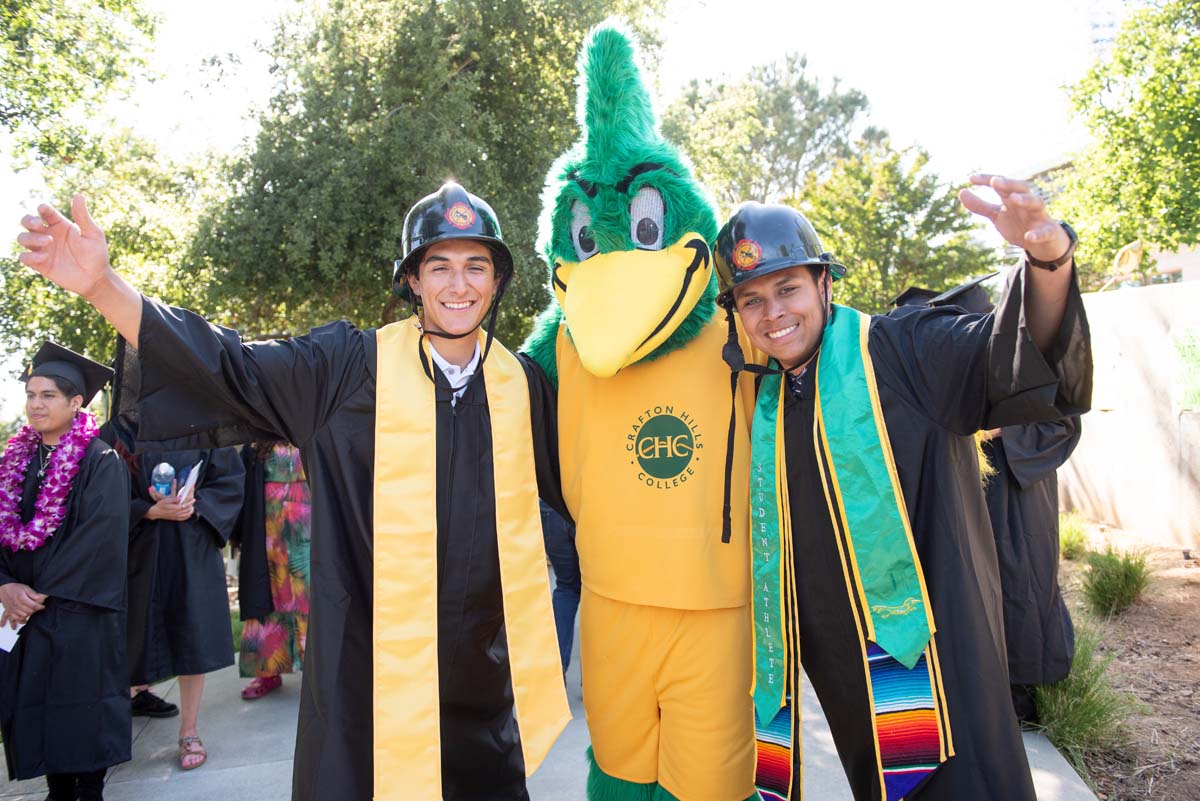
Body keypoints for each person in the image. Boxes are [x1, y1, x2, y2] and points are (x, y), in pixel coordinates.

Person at [16, 182, 570, 801]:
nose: (459, 285)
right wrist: (102, 287)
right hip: (366, 670)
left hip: (480, 675)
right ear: (412, 281)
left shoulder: (521, 383)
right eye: (439, 266)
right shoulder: (345, 368)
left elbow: (579, 486)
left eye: (477, 267)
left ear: (497, 282)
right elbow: (227, 364)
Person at [716, 177, 1092, 801]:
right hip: (844, 670)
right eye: (751, 301)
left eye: (787, 289)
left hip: (943, 659)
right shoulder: (768, 402)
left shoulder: (900, 349)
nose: (773, 313)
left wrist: (1047, 264)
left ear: (824, 284)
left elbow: (1016, 355)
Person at [0, 342, 130, 801]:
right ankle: (57, 789)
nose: (36, 403)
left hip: (80, 612)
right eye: (31, 394)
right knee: (37, 706)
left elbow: (99, 538)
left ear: (77, 402)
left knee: (82, 707)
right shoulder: (11, 464)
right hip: (25, 613)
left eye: (48, 395)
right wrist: (6, 586)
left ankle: (90, 790)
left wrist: (33, 593)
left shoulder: (101, 462)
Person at [126, 442, 243, 770]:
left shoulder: (205, 428)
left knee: (192, 635)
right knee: (129, 632)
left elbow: (231, 482)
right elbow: (102, 492)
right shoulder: (121, 429)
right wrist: (147, 510)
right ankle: (125, 706)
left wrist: (195, 503)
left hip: (191, 545)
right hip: (138, 551)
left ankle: (189, 730)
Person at [981, 419, 1080, 721]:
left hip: (1019, 489)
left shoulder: (1042, 372)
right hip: (967, 479)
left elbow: (1064, 425)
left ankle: (1018, 697)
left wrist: (1000, 430)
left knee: (1019, 581)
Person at [233, 440, 311, 700]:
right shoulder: (257, 441)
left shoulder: (313, 429)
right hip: (267, 533)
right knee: (268, 598)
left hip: (309, 535)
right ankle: (267, 671)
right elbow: (240, 488)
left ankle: (320, 673)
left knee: (309, 600)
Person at [539, 499, 580, 673]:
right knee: (596, 592)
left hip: (551, 508)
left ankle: (555, 671)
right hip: (585, 508)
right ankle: (593, 680)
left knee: (566, 588)